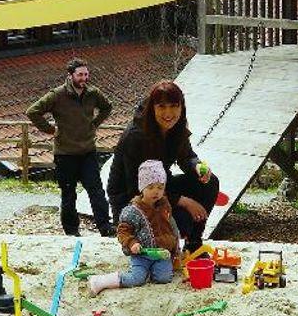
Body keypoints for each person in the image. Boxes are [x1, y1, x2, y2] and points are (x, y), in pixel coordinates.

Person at [106, 80, 223, 251]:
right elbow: (136, 188)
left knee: (209, 183)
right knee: (182, 220)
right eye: (161, 106)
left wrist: (197, 166)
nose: (168, 113)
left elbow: (186, 156)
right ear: (152, 108)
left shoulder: (177, 126)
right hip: (132, 198)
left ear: (181, 107)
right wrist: (183, 201)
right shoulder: (136, 136)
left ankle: (193, 244)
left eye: (174, 106)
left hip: (160, 188)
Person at [27, 57, 112, 238]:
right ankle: (71, 231)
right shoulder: (57, 95)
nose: (84, 78)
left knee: (96, 191)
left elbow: (107, 107)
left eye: (86, 74)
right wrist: (50, 129)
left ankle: (105, 227)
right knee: (68, 193)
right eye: (80, 75)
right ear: (70, 75)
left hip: (88, 151)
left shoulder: (93, 93)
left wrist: (94, 124)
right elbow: (33, 111)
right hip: (65, 153)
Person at [89, 160, 180, 292]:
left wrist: (175, 248)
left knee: (164, 278)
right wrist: (132, 243)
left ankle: (152, 270)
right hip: (142, 254)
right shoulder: (133, 211)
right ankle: (101, 281)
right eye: (151, 187)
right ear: (142, 188)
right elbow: (123, 232)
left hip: (161, 253)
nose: (156, 192)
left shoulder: (164, 206)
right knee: (137, 279)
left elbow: (172, 227)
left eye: (160, 187)